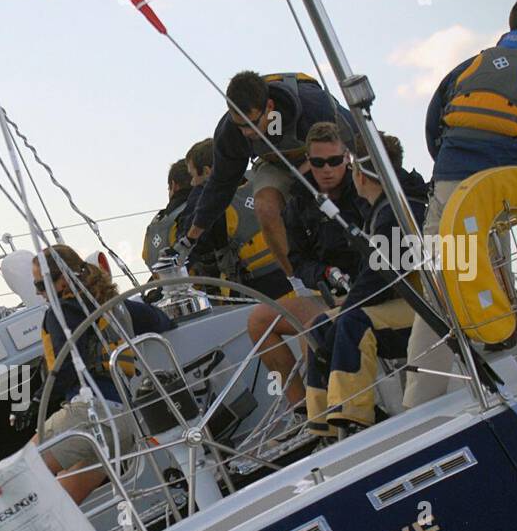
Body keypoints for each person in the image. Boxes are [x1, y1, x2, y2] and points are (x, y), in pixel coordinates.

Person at [408, 0, 517, 406]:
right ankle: (505, 381)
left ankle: (418, 399)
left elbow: (434, 128)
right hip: (498, 191)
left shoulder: (465, 67)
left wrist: (454, 174)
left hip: (450, 185)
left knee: (440, 285)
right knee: (492, 279)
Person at [304, 132, 428, 436]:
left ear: (359, 173)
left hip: (430, 306)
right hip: (408, 300)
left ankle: (353, 417)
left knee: (353, 322)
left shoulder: (398, 211)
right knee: (320, 325)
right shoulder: (385, 208)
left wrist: (348, 308)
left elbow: (381, 277)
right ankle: (324, 427)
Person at [33, 245, 173, 505]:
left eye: (42, 285)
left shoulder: (62, 312)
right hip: (123, 423)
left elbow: (65, 369)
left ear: (63, 278)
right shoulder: (113, 306)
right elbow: (161, 319)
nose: (40, 293)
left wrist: (33, 403)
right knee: (62, 497)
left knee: (14, 480)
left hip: (91, 413)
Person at [180, 71, 355, 275]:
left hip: (324, 156)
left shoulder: (314, 105)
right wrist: (191, 237)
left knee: (327, 194)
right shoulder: (230, 133)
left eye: (252, 124)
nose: (247, 132)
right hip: (275, 163)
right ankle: (300, 282)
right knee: (265, 205)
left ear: (269, 107)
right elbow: (220, 187)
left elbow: (358, 140)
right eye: (240, 125)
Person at [244, 121, 367, 407]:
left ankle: (325, 411)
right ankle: (302, 409)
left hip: (369, 289)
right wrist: (322, 275)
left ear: (346, 159)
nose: (327, 169)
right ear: (308, 162)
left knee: (313, 326)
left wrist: (355, 289)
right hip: (328, 292)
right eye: (319, 162)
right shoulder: (299, 202)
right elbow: (299, 261)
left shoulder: (365, 191)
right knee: (259, 321)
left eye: (334, 161)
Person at [141, 160, 193, 268]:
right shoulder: (202, 210)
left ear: (173, 185)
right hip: (205, 282)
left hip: (164, 281)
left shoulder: (156, 221)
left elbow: (146, 256)